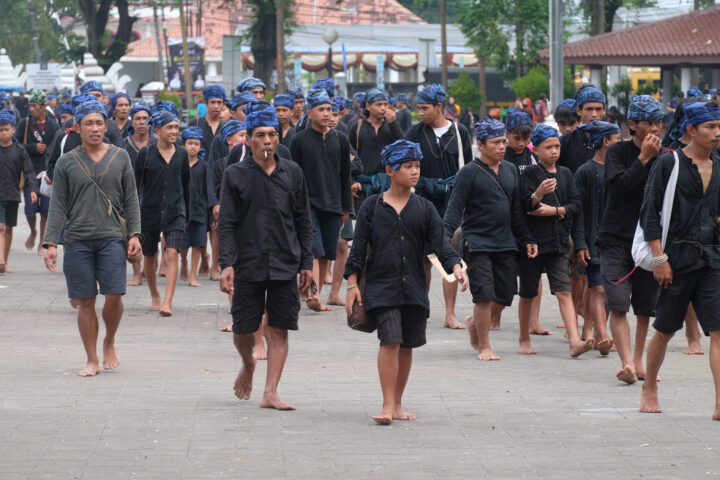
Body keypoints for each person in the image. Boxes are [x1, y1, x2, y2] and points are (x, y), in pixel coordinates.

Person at [345, 139, 468, 425]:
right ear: (390, 170)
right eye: (408, 166)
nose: (415, 172)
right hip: (381, 287)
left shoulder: (424, 208)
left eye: (417, 166)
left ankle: (398, 403)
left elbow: (440, 244)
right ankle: (387, 404)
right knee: (390, 340)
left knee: (407, 345)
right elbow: (358, 248)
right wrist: (352, 284)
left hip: (414, 286)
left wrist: (456, 266)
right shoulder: (371, 207)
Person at [217, 104, 313, 410]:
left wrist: (307, 264)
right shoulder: (235, 174)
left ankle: (271, 392)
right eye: (260, 135)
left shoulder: (293, 173)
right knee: (244, 327)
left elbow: (303, 221)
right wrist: (227, 264)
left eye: (273, 134)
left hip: (286, 261)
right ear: (248, 139)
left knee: (279, 327)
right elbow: (227, 223)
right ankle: (247, 364)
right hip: (247, 262)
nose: (268, 140)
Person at [41, 99, 142, 376]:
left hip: (112, 237)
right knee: (85, 301)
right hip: (77, 239)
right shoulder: (66, 162)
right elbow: (58, 204)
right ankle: (91, 358)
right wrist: (50, 243)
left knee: (114, 294)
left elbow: (131, 199)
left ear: (106, 125)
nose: (95, 128)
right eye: (89, 123)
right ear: (77, 128)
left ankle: (109, 341)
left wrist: (135, 234)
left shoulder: (120, 156)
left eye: (99, 123)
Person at [638, 102, 720, 419]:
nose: (716, 133)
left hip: (712, 257)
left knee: (717, 329)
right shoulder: (669, 164)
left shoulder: (718, 165)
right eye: (710, 127)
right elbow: (649, 215)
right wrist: (660, 259)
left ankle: (717, 402)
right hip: (676, 257)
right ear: (691, 130)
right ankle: (649, 388)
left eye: (718, 126)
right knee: (665, 328)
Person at [444, 118, 537, 359]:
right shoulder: (468, 173)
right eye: (496, 142)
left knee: (505, 295)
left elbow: (517, 210)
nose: (502, 147)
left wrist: (527, 238)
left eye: (503, 142)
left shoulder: (510, 170)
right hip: (477, 242)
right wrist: (442, 242)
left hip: (506, 242)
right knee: (483, 294)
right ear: (481, 144)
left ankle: (476, 322)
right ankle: (485, 346)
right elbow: (454, 210)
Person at [597, 95, 663, 384]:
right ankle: (625, 363)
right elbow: (620, 186)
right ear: (632, 124)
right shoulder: (617, 152)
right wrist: (643, 158)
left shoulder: (666, 157)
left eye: (658, 122)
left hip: (649, 240)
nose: (654, 128)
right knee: (618, 301)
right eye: (648, 122)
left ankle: (638, 359)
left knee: (645, 305)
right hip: (615, 238)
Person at [519, 124, 594, 357]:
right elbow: (524, 207)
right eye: (548, 147)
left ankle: (574, 341)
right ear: (536, 150)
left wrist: (555, 210)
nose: (554, 151)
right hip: (533, 243)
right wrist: (538, 194)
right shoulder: (529, 174)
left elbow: (575, 206)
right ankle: (523, 338)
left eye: (557, 146)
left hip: (559, 243)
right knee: (528, 292)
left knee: (563, 291)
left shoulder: (566, 174)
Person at [404, 83, 473, 330]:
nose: (421, 113)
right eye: (418, 108)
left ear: (439, 107)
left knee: (449, 255)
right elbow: (406, 165)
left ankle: (450, 313)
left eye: (425, 108)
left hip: (453, 202)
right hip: (422, 200)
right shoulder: (414, 133)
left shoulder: (460, 130)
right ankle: (422, 306)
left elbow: (468, 167)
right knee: (422, 259)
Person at [289, 89, 351, 312]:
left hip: (333, 204)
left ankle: (314, 294)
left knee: (327, 251)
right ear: (309, 112)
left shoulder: (341, 139)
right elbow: (293, 176)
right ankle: (313, 293)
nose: (326, 114)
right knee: (313, 249)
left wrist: (347, 208)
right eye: (320, 109)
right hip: (307, 205)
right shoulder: (299, 141)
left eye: (329, 109)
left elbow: (345, 175)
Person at [135, 109, 190, 317]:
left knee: (172, 253)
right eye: (170, 127)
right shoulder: (146, 154)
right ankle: (155, 294)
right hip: (149, 212)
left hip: (176, 211)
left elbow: (186, 185)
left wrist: (187, 214)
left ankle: (168, 301)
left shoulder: (182, 153)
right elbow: (135, 185)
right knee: (149, 255)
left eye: (176, 127)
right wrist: (134, 217)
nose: (174, 131)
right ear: (157, 130)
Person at [572, 120, 621, 355]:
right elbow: (578, 211)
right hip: (593, 240)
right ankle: (602, 336)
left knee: (609, 291)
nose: (620, 145)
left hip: (616, 240)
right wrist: (580, 243)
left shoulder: (619, 169)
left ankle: (590, 329)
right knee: (598, 289)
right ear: (605, 142)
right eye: (617, 140)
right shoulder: (585, 172)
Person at [16, 89, 60, 256]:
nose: (32, 109)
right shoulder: (24, 123)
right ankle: (32, 231)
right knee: (30, 209)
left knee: (46, 210)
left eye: (35, 106)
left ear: (43, 106)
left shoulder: (53, 125)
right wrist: (33, 147)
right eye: (30, 105)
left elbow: (56, 148)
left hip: (47, 172)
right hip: (29, 172)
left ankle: (42, 240)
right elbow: (17, 145)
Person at [0, 110, 38, 273]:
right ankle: (0, 259)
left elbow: (29, 171)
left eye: (6, 129)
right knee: (1, 227)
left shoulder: (19, 150)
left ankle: (5, 261)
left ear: (13, 130)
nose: (3, 133)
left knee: (9, 229)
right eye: (0, 130)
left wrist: (33, 190)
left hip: (13, 194)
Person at [349, 88, 404, 187]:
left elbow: (402, 148)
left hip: (387, 183)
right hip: (363, 183)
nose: (383, 108)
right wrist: (353, 181)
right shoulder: (357, 127)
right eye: (379, 104)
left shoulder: (392, 126)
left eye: (386, 104)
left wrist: (393, 124)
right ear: (368, 106)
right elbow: (350, 156)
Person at [177, 127, 209, 287]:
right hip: (182, 212)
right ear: (183, 145)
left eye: (197, 144)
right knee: (182, 246)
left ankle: (192, 276)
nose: (193, 146)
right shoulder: (178, 165)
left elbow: (208, 189)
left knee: (198, 244)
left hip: (199, 211)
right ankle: (183, 263)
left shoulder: (204, 166)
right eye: (190, 143)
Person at [558, 86, 606, 173]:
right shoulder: (565, 142)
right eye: (589, 109)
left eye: (598, 109)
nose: (594, 114)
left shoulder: (614, 141)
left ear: (604, 110)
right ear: (579, 111)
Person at [78, 81, 124, 148]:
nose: (94, 98)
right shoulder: (71, 124)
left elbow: (119, 155)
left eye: (98, 95)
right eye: (89, 95)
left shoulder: (112, 126)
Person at [187, 85, 227, 155]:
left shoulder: (226, 127)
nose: (216, 106)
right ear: (206, 103)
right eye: (212, 102)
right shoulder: (194, 124)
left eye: (219, 102)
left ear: (224, 104)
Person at [503, 108, 535, 174]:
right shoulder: (501, 157)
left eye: (526, 138)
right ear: (507, 134)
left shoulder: (532, 157)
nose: (521, 144)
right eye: (517, 138)